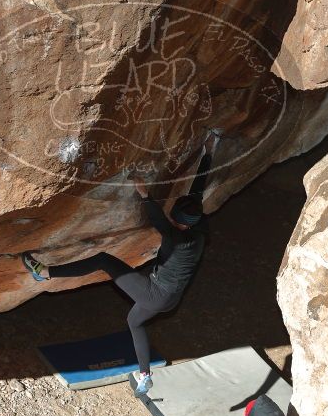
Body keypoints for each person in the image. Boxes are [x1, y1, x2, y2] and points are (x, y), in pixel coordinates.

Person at [21, 132, 219, 397]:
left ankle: (44, 272)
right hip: (172, 299)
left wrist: (143, 191)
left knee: (104, 260)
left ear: (176, 219)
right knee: (134, 322)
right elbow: (197, 192)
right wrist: (207, 154)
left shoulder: (173, 236)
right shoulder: (200, 230)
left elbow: (154, 213)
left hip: (154, 293)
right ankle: (145, 376)